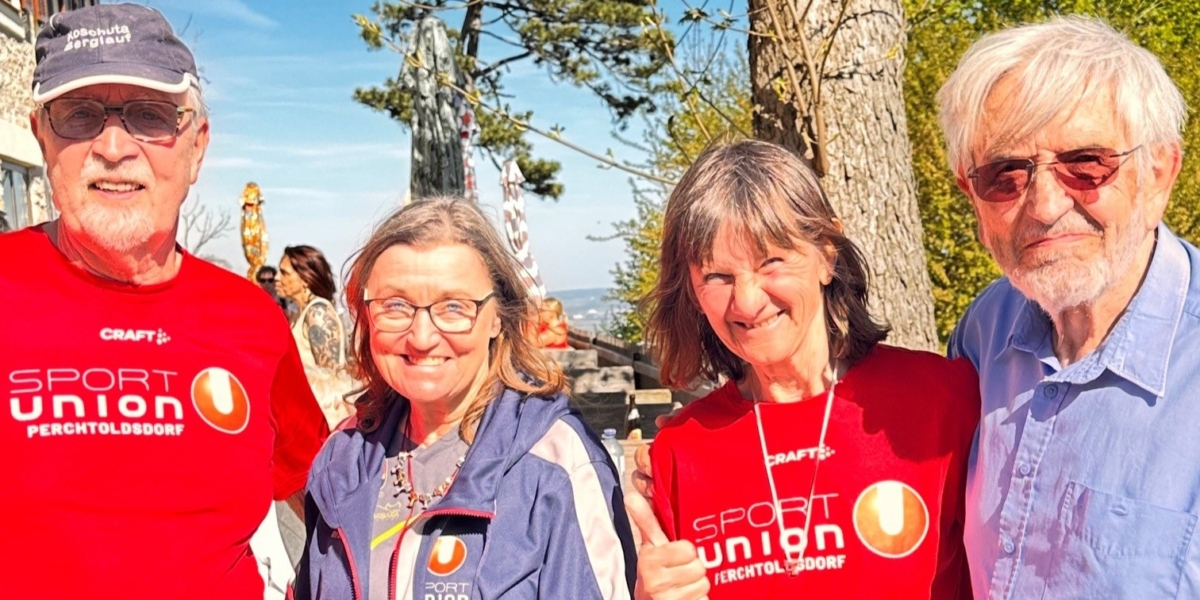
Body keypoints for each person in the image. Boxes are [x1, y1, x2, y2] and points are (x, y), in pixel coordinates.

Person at [0, 4, 329, 599]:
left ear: (196, 147)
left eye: (151, 116)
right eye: (79, 115)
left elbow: (323, 501)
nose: (115, 145)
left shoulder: (251, 319)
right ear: (41, 137)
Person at [627, 139, 979, 599]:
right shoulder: (679, 451)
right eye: (718, 276)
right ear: (692, 291)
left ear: (827, 253)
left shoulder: (944, 401)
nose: (748, 301)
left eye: (771, 261)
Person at [937, 16, 1200, 597]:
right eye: (1005, 174)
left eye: (1086, 163)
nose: (1046, 205)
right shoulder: (983, 335)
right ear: (971, 196)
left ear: (1158, 172)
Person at [294, 197, 636, 599]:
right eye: (395, 306)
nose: (421, 337)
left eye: (454, 306)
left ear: (498, 317)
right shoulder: (343, 459)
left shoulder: (554, 463)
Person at [278, 244, 356, 428]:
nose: (276, 278)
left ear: (304, 278)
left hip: (322, 422)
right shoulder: (300, 314)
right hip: (303, 415)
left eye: (284, 273)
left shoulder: (318, 312)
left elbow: (334, 378)